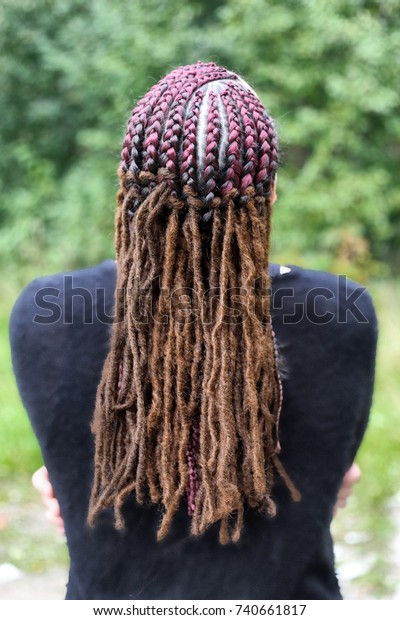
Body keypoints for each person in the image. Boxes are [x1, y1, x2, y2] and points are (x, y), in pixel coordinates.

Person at [10, 61, 377, 599]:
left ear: (129, 188)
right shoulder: (343, 312)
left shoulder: (46, 312)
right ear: (268, 191)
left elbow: (67, 484)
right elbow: (332, 479)